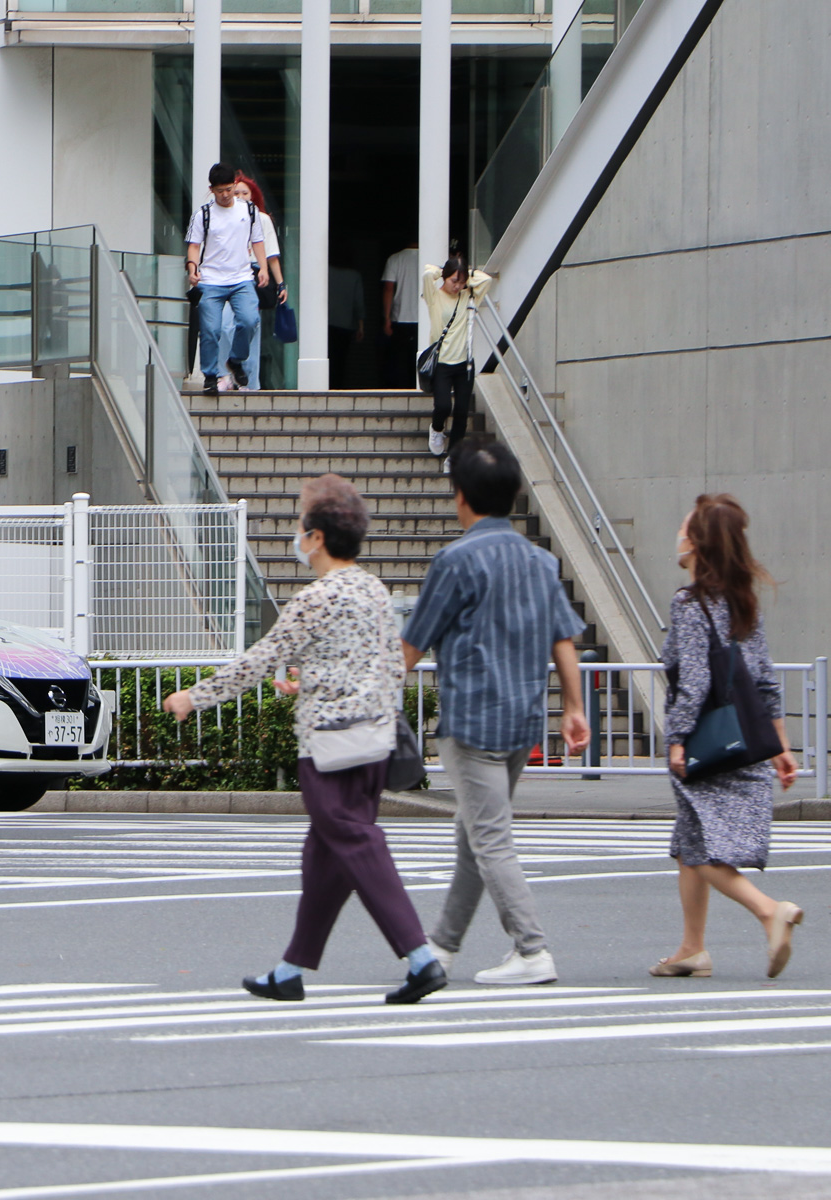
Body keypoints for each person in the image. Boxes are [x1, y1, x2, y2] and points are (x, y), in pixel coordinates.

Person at [164, 474, 447, 1006]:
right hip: (374, 742)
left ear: (316, 538)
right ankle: (290, 969)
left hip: (329, 747)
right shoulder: (373, 589)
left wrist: (192, 698)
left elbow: (259, 660)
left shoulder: (314, 598)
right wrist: (314, 685)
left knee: (353, 844)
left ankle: (420, 956)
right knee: (326, 856)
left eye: (300, 527)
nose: (297, 536)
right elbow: (387, 667)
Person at [402, 440, 589, 986]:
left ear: (461, 497)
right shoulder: (540, 560)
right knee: (475, 834)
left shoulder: (455, 560)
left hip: (472, 717)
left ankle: (532, 949)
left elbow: (410, 649)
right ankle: (442, 947)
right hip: (522, 718)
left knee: (488, 838)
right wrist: (574, 708)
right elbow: (564, 641)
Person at [653, 495, 802, 980]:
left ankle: (768, 911)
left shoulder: (689, 603)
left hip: (707, 745)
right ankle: (691, 948)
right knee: (688, 841)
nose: (677, 534)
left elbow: (694, 679)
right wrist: (781, 746)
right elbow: (765, 679)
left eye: (683, 526)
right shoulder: (742, 601)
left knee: (702, 851)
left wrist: (676, 739)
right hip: (748, 741)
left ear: (695, 542)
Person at [185, 161, 270, 395]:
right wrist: (192, 267)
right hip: (211, 279)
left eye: (229, 189)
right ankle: (211, 375)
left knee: (249, 320)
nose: (225, 195)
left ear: (234, 185)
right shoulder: (203, 215)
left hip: (242, 278)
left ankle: (236, 360)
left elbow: (258, 242)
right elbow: (194, 246)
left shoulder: (248, 210)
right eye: (220, 190)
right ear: (211, 189)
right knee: (211, 329)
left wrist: (262, 268)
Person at [216, 173, 287, 391]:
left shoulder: (261, 219)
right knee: (223, 325)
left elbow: (272, 255)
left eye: (244, 193)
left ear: (253, 196)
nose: (239, 196)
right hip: (227, 276)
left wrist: (281, 284)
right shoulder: (222, 218)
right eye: (235, 193)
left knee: (249, 329)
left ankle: (247, 382)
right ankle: (227, 376)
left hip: (254, 278)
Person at [421, 257, 493, 469]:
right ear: (445, 277)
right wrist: (444, 270)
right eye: (454, 281)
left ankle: (453, 455)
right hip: (441, 363)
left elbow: (486, 280)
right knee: (443, 405)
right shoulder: (434, 296)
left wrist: (465, 274)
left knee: (461, 411)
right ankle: (436, 429)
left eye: (461, 282)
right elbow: (427, 275)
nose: (457, 286)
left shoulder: (469, 295)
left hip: (464, 364)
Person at [379, 241, 418, 388]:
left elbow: (388, 288)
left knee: (399, 360)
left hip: (399, 318)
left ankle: (401, 389)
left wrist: (387, 318)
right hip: (424, 319)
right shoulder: (431, 259)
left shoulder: (395, 259)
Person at [327, 263, 365, 389]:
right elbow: (358, 302)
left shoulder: (325, 271)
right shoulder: (354, 276)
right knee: (341, 360)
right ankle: (338, 387)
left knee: (329, 358)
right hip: (345, 325)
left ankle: (327, 385)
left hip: (327, 324)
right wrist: (361, 326)